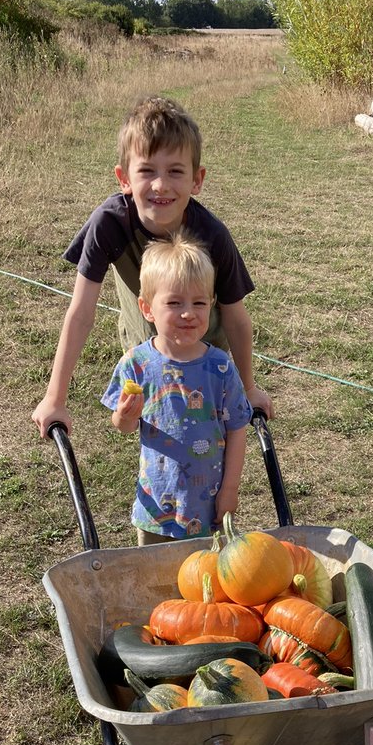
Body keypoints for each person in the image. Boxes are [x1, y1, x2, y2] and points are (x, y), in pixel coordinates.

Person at [32, 95, 272, 437]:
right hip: (144, 344)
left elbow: (236, 317)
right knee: (158, 436)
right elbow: (81, 312)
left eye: (175, 171)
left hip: (205, 349)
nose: (160, 185)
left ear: (197, 179)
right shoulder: (108, 224)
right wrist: (54, 397)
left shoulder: (212, 236)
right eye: (146, 171)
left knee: (203, 439)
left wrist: (248, 388)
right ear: (124, 178)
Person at [103, 232, 251, 544]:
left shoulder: (220, 367)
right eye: (174, 303)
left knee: (204, 585)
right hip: (156, 509)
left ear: (211, 304)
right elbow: (123, 426)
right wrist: (126, 415)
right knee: (155, 582)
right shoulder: (137, 364)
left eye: (199, 302)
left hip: (208, 507)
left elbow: (237, 427)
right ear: (146, 308)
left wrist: (229, 491)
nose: (188, 313)